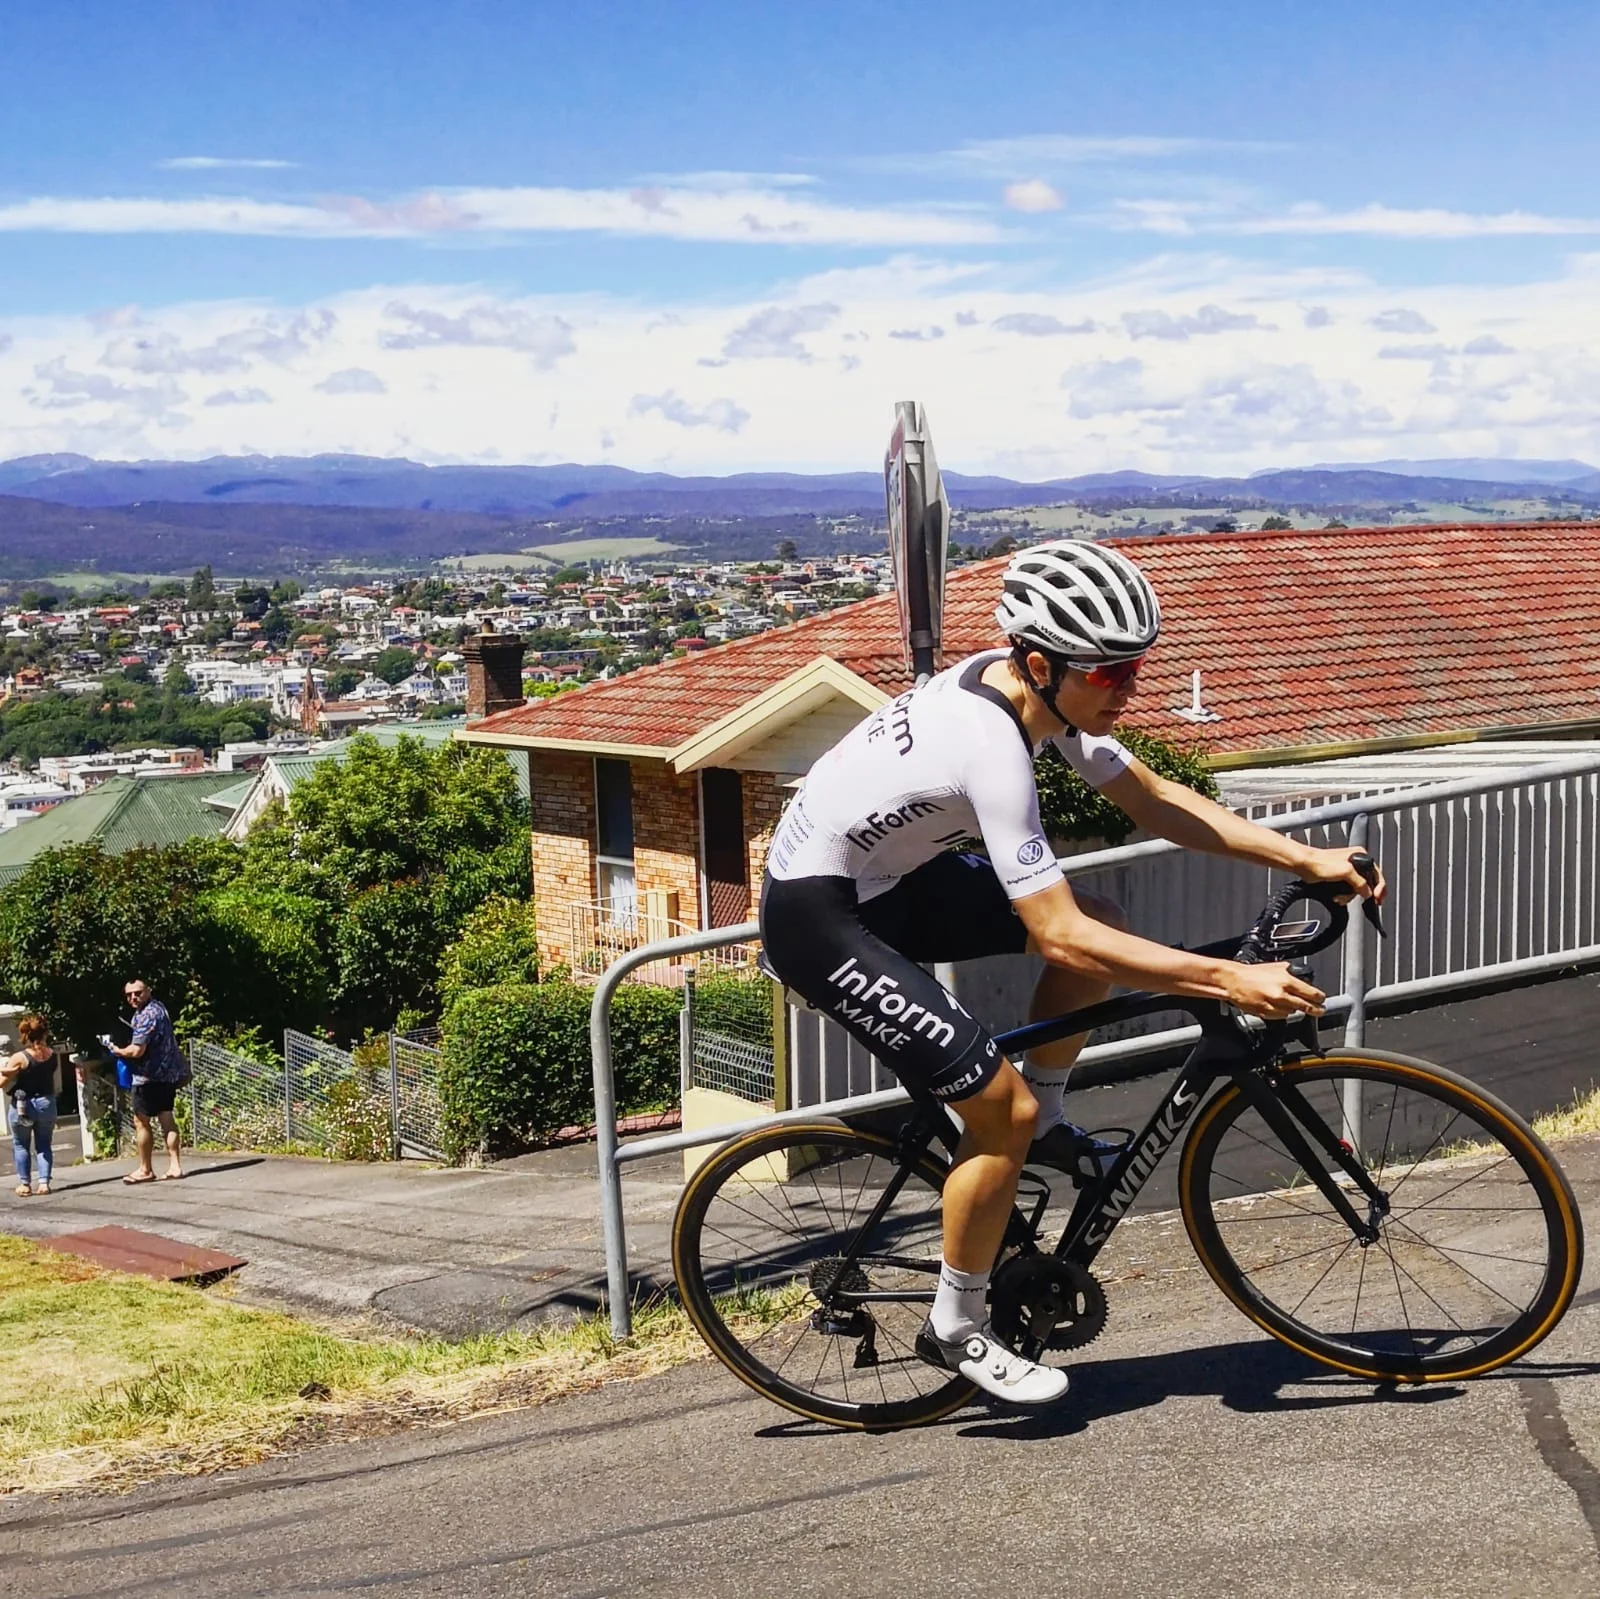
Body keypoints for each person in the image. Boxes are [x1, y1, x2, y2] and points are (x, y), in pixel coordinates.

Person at [760, 539, 1386, 1405]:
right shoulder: (991, 741)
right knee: (996, 1107)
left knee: (1110, 928)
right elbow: (1059, 939)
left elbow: (1155, 800)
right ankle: (959, 1321)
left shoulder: (1043, 700)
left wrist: (1301, 854)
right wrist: (1227, 981)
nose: (1131, 688)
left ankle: (1048, 1118)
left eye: (1137, 667)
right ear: (1042, 662)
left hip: (895, 878)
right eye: (1113, 673)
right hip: (823, 915)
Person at [107, 978, 187, 1184]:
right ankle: (175, 1166)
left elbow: (137, 1050)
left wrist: (117, 1051)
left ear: (148, 991)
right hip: (169, 1075)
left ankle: (145, 1169)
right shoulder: (160, 1008)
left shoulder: (146, 1016)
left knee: (141, 1122)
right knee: (167, 1118)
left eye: (138, 992)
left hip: (148, 1078)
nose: (133, 997)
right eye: (129, 994)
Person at [1, 1015, 61, 1197]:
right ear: (45, 1033)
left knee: (21, 1145)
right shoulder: (52, 1055)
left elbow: (2, 1082)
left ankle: (25, 1185)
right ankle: (44, 1183)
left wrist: (8, 1071)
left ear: (25, 1034)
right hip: (46, 1102)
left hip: (23, 1104)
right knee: (44, 1145)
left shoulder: (20, 1057)